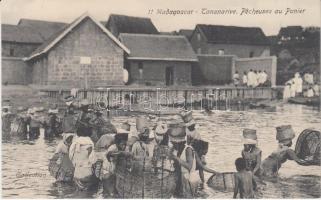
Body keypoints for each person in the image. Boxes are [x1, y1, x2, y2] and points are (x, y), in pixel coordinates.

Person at [169, 123, 217, 198]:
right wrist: (215, 172)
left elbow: (189, 166)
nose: (174, 144)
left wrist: (176, 158)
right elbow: (202, 166)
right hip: (189, 178)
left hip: (188, 179)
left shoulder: (188, 149)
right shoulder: (188, 150)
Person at [69, 124, 99, 191]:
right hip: (87, 171)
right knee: (87, 192)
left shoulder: (75, 142)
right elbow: (92, 159)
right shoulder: (90, 143)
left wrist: (75, 163)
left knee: (78, 192)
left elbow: (70, 156)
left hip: (77, 171)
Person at [104, 130, 131, 197]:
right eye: (122, 144)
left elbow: (128, 156)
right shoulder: (113, 147)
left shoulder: (126, 148)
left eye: (125, 144)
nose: (124, 146)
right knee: (113, 185)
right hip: (112, 168)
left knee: (120, 185)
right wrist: (118, 153)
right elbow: (108, 155)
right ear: (117, 143)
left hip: (121, 168)